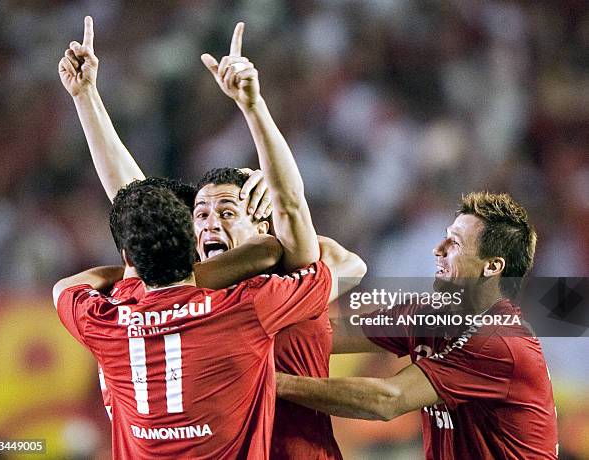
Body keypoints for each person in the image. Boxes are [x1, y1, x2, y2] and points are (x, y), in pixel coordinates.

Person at [59, 17, 364, 458]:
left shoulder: (279, 279)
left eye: (226, 212)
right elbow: (137, 207)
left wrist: (254, 109)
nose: (207, 224)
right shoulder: (197, 292)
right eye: (199, 215)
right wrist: (86, 98)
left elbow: (332, 249)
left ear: (262, 221)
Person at [54, 180, 342, 459]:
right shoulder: (242, 308)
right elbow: (336, 262)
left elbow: (63, 289)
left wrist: (142, 266)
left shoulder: (105, 320)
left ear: (129, 259)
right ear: (192, 248)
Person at [277, 191, 559, 459]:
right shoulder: (427, 314)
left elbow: (388, 399)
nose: (438, 250)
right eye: (445, 238)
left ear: (493, 266)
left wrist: (277, 384)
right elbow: (324, 335)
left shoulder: (501, 343)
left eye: (455, 243)